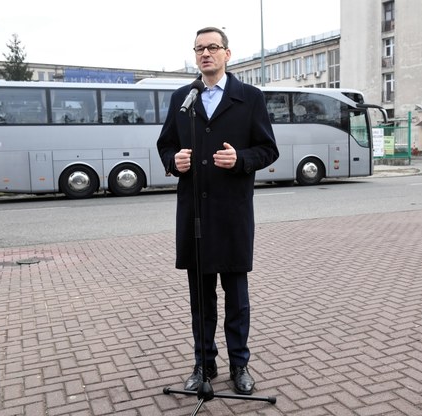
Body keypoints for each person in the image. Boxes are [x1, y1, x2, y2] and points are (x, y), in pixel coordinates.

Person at [157, 26, 279, 395]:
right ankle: (203, 364)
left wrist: (240, 158)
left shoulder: (249, 97)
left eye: (213, 47)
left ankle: (240, 365)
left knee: (236, 298)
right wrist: (172, 160)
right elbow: (165, 145)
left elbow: (268, 149)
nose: (205, 53)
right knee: (200, 299)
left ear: (228, 53)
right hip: (193, 213)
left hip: (232, 215)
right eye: (199, 49)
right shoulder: (184, 97)